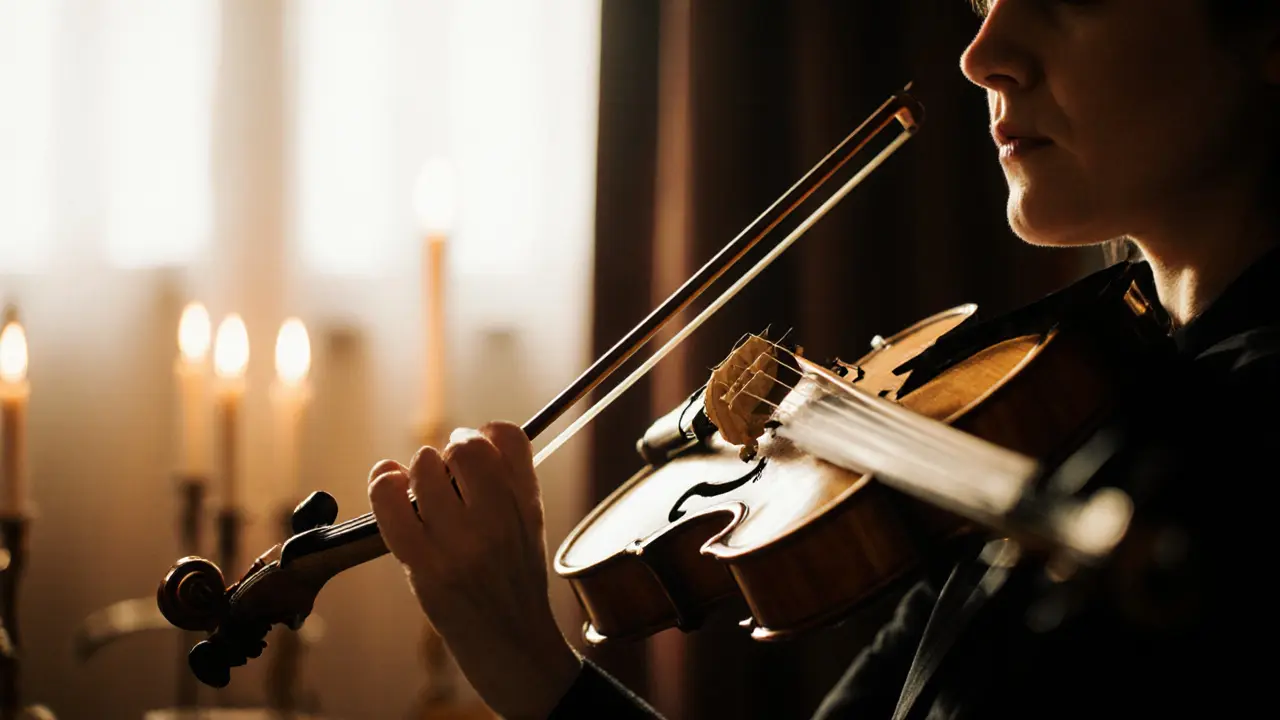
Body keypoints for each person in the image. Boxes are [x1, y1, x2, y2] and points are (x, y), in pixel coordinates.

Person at [367, 1, 1280, 717]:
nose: (983, 50)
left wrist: (535, 671)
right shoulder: (1082, 405)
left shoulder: (1232, 443)